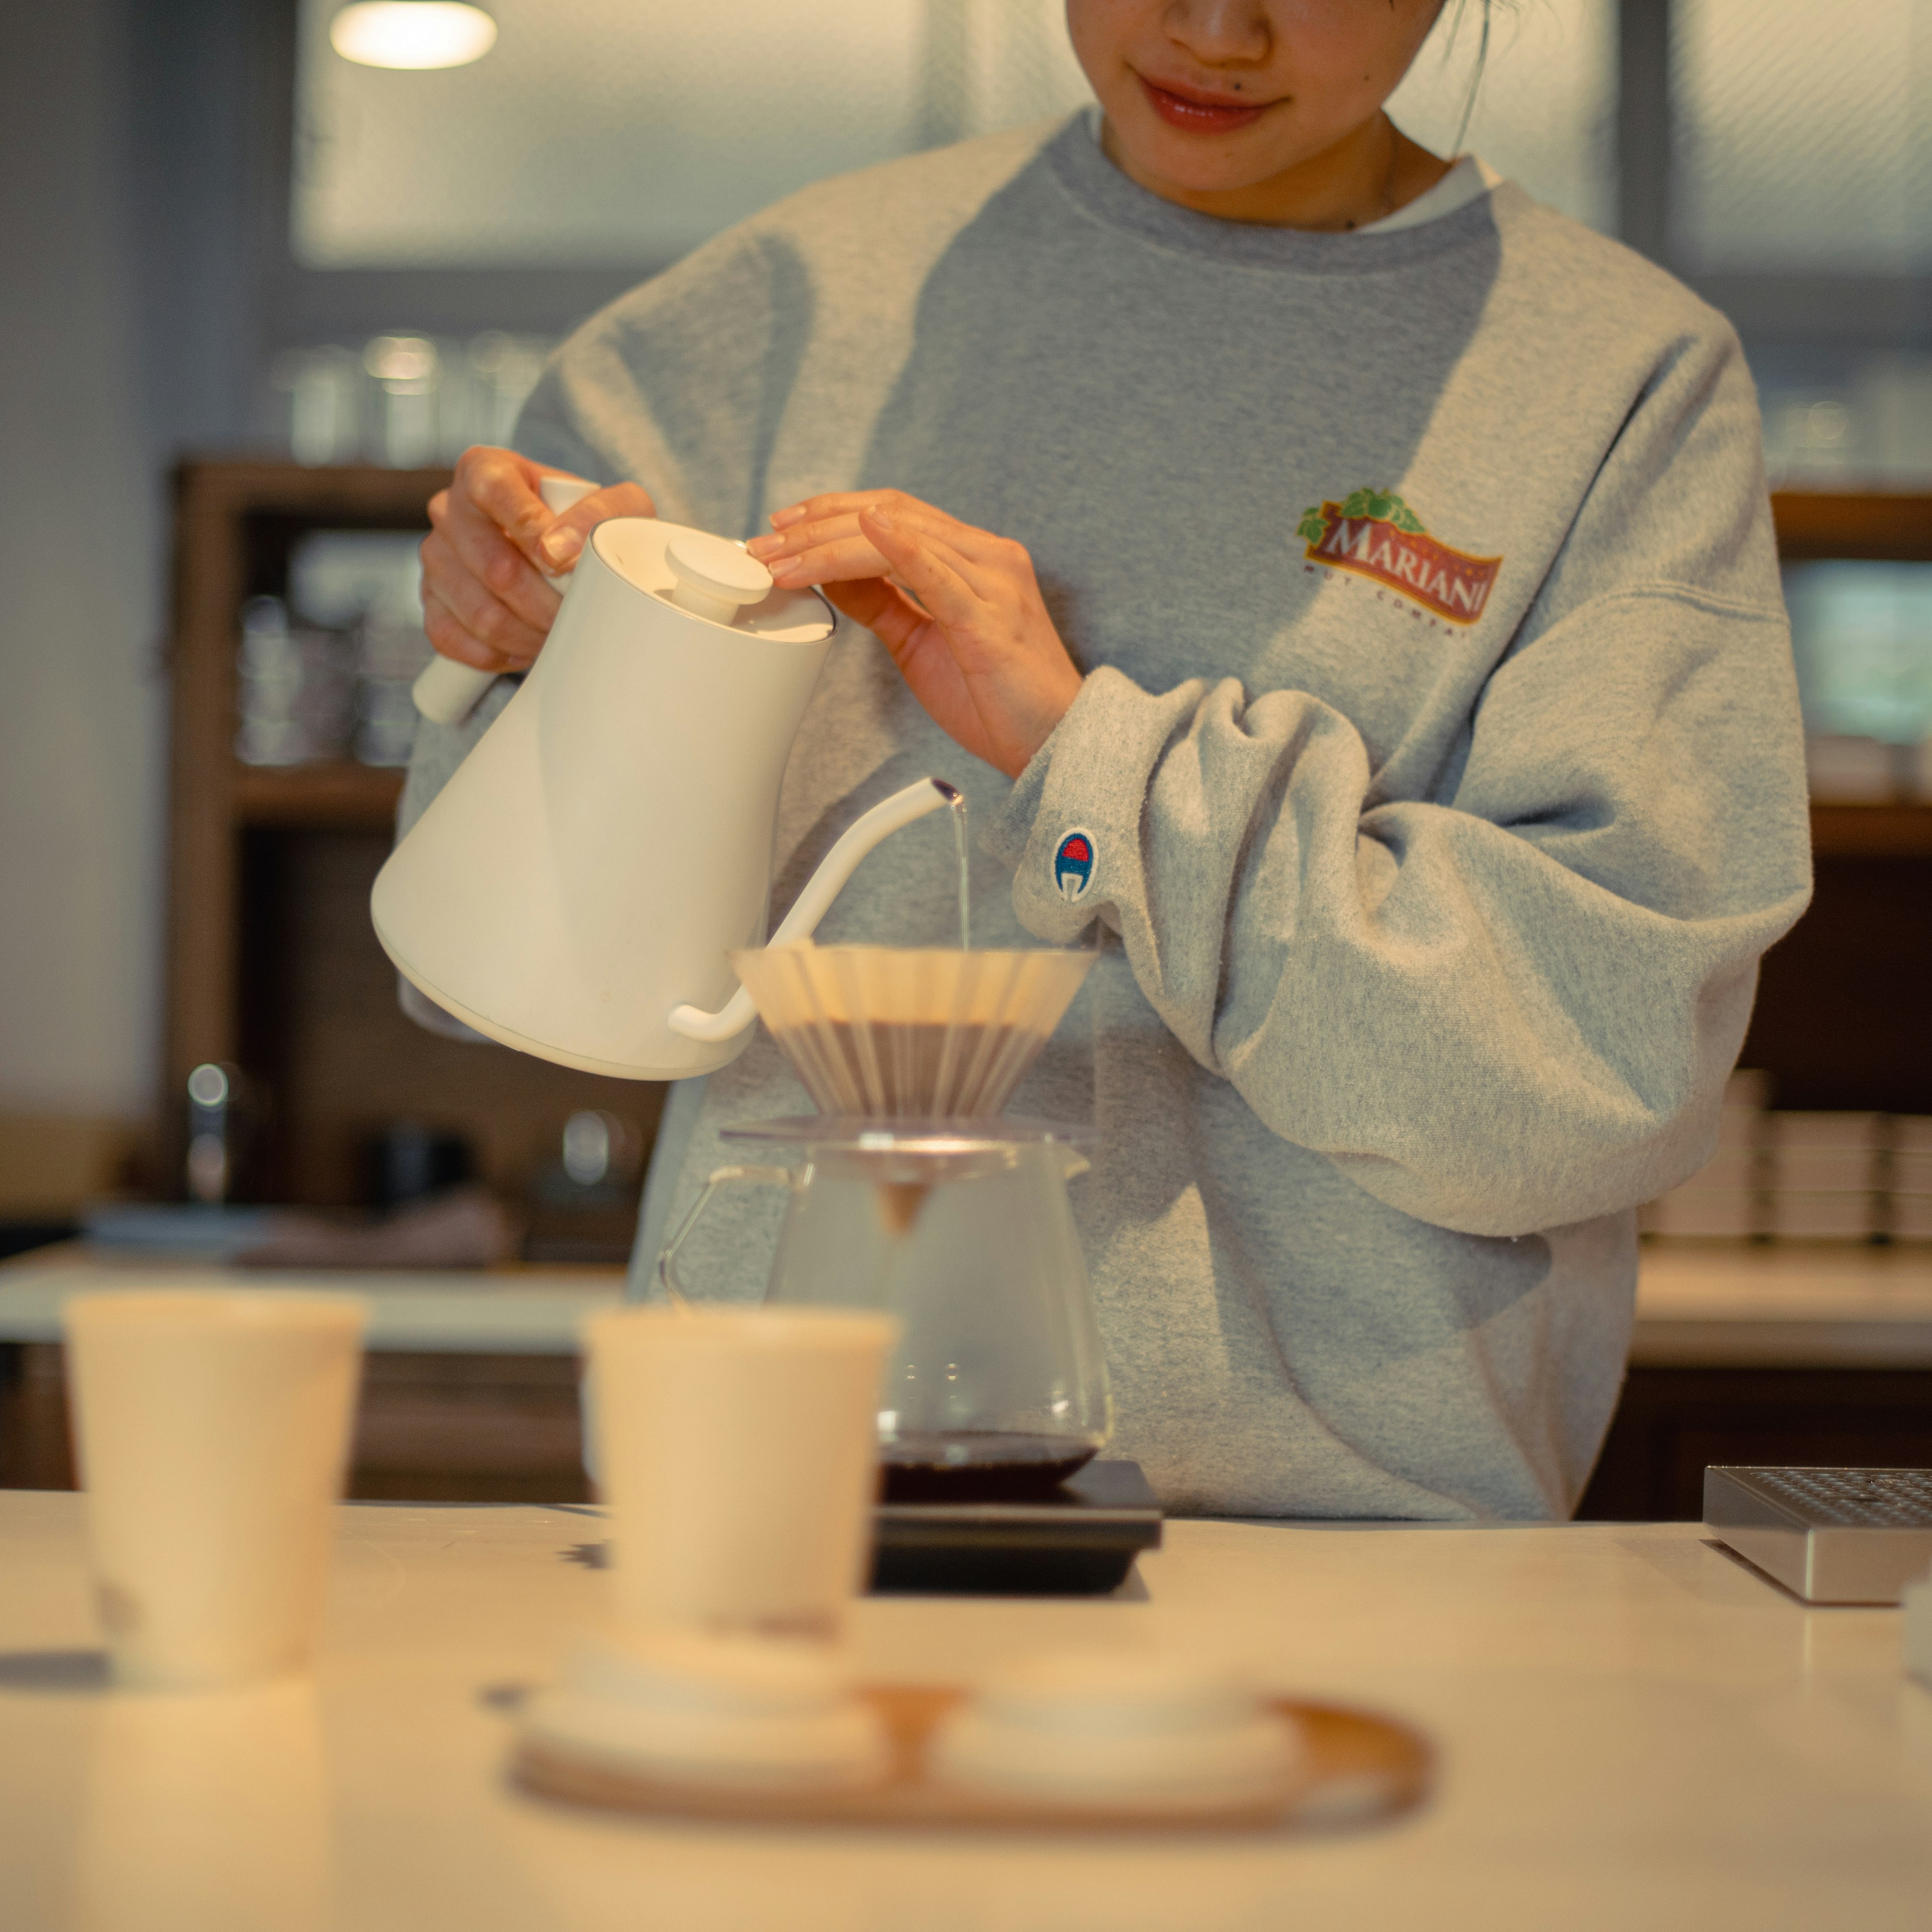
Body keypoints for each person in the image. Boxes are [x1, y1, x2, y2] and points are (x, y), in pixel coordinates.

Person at [400, 0, 1811, 1519]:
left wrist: (1088, 759)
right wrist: (548, 663)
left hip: (1342, 1563)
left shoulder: (1616, 383)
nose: (1216, 28)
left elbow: (1595, 1082)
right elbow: (493, 976)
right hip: (762, 1520)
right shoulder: (778, 313)